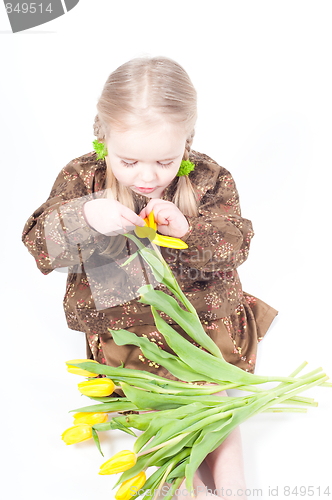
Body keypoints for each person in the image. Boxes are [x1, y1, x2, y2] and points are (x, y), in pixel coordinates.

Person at [22, 56, 278, 499]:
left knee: (213, 391)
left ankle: (232, 480)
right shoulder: (84, 177)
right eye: (129, 161)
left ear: (188, 141)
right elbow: (38, 243)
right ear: (102, 137)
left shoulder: (208, 178)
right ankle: (179, 480)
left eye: (165, 160)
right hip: (127, 329)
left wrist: (188, 229)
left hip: (204, 324)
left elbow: (239, 242)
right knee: (157, 402)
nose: (147, 176)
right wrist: (85, 216)